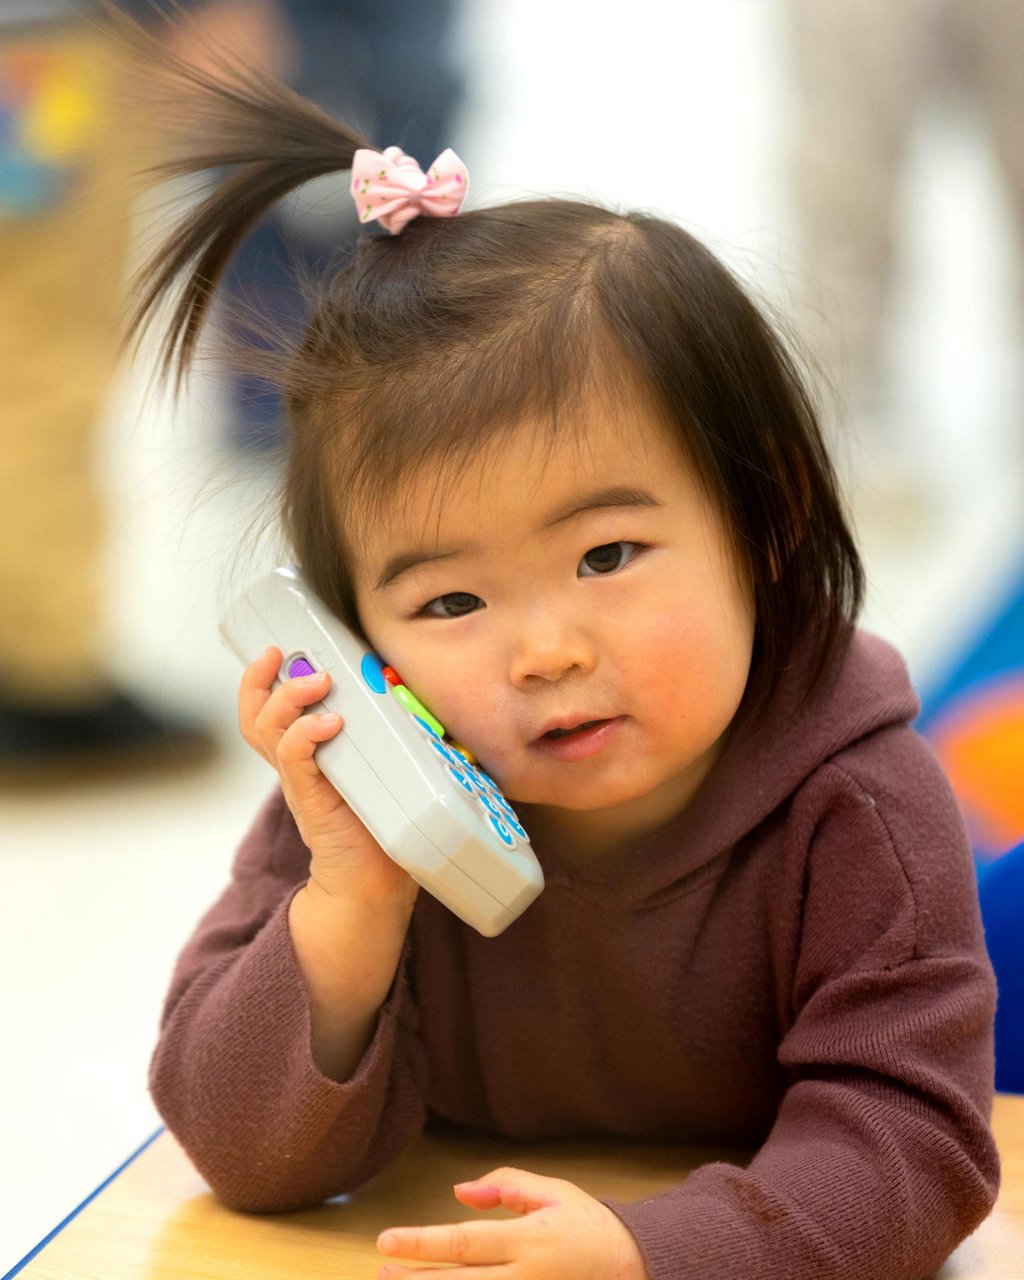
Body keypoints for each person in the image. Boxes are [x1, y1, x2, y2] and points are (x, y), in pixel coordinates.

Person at [129, 25, 999, 1280]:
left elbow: (916, 1145)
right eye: (447, 603)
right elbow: (240, 1156)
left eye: (605, 558)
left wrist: (661, 1251)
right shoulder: (361, 821)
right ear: (351, 637)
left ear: (770, 521)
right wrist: (351, 905)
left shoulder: (854, 802)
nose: (541, 651)